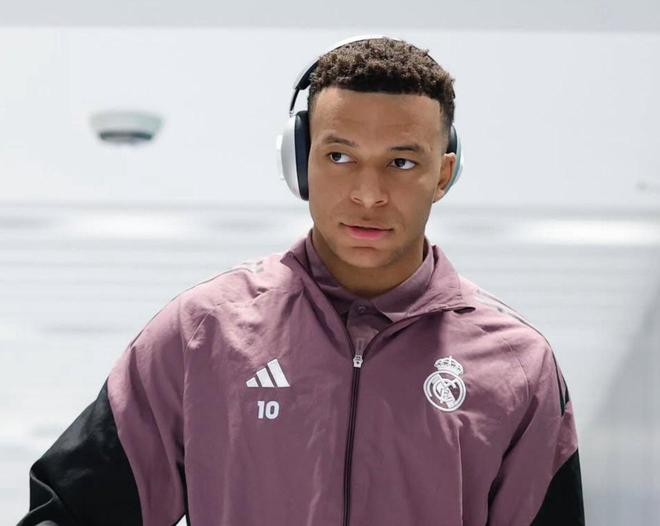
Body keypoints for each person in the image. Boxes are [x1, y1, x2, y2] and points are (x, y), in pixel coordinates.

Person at [17, 35, 585, 526]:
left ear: (443, 175)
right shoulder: (204, 334)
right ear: (301, 164)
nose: (368, 194)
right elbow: (68, 512)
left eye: (402, 163)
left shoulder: (518, 366)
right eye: (339, 156)